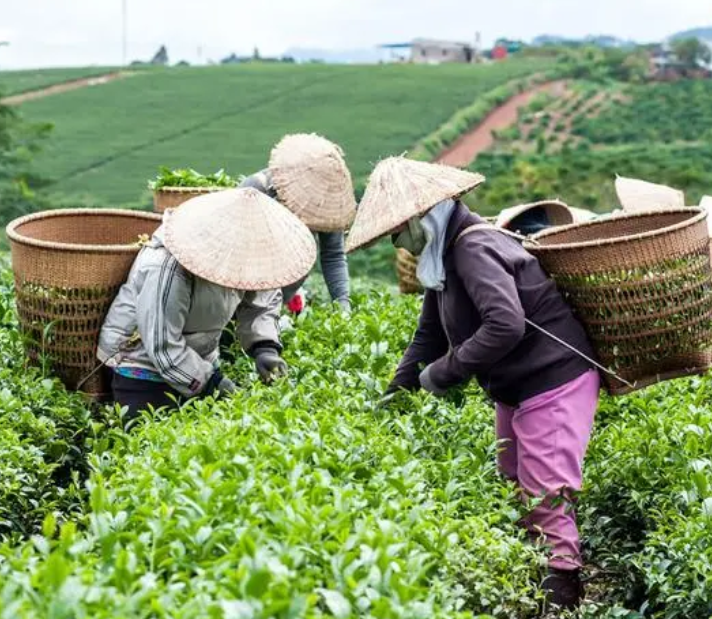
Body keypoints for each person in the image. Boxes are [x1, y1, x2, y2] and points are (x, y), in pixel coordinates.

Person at [345, 157, 600, 610]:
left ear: (418, 217)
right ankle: (531, 581)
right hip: (515, 386)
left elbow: (506, 323)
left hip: (552, 379)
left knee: (544, 492)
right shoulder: (443, 256)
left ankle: (563, 596)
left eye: (396, 231)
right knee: (510, 482)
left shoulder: (471, 248)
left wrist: (445, 372)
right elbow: (429, 333)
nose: (395, 242)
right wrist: (395, 394)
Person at [97, 187, 317, 422]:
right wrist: (211, 382)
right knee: (149, 443)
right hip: (140, 365)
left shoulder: (246, 259)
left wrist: (265, 348)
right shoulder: (166, 267)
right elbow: (162, 345)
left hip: (197, 359)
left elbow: (262, 299)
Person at [241, 133, 357, 313]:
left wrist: (343, 305)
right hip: (245, 283)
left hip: (287, 286)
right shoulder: (256, 190)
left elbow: (333, 255)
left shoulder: (327, 202)